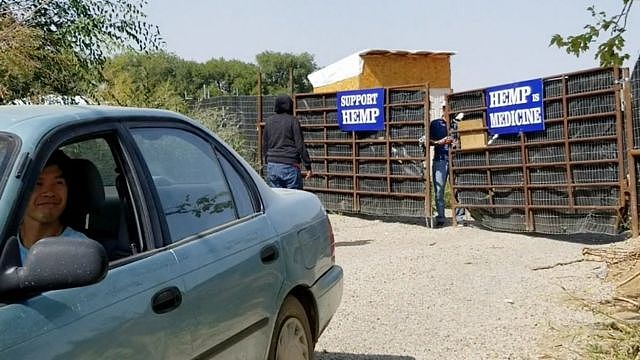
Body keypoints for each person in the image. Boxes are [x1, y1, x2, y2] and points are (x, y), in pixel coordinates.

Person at [18, 150, 88, 262]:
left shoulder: (81, 251)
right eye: (38, 183)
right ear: (19, 191)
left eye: (59, 182)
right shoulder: (5, 238)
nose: (49, 192)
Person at [262, 94, 313, 189]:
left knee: (277, 199)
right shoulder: (293, 121)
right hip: (290, 165)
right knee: (294, 199)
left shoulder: (269, 121)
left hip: (272, 165)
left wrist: (267, 160)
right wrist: (308, 166)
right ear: (290, 106)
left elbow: (264, 144)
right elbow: (300, 145)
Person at [429, 103, 465, 227]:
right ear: (444, 110)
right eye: (448, 109)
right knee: (439, 190)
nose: (451, 111)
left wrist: (456, 144)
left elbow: (462, 141)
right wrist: (440, 142)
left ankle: (459, 218)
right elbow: (427, 141)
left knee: (457, 189)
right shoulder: (435, 124)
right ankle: (440, 218)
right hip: (439, 160)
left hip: (454, 160)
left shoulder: (456, 124)